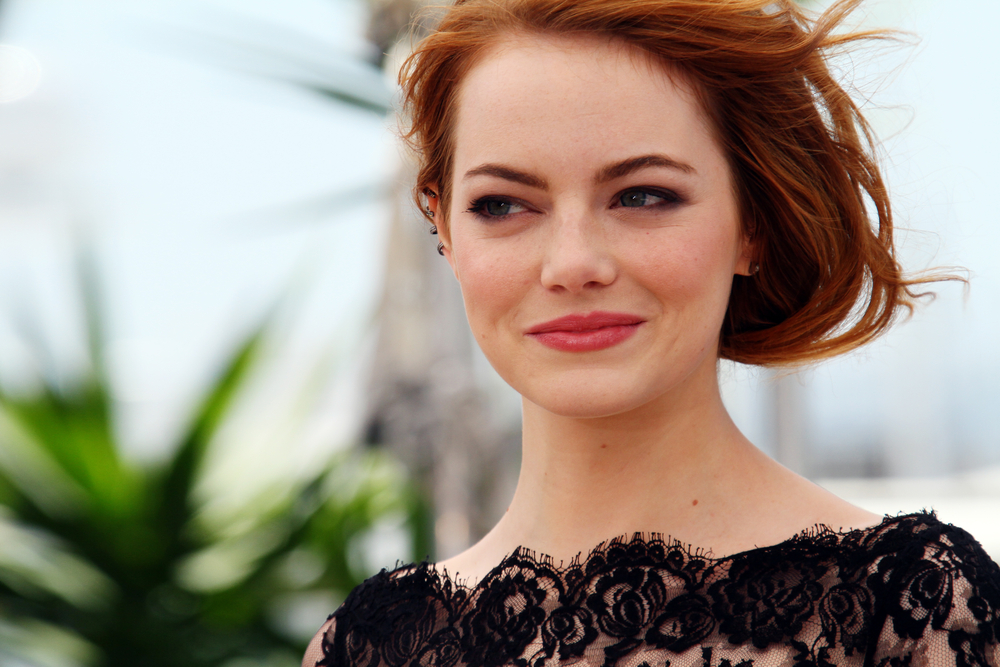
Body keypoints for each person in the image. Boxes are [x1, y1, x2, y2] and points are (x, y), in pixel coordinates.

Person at [304, 0, 1000, 665]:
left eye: (643, 195)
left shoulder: (910, 608)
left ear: (750, 225)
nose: (573, 264)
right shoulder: (366, 646)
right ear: (446, 231)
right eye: (503, 204)